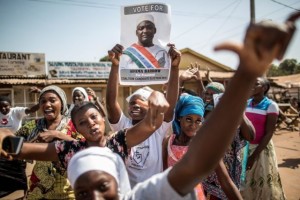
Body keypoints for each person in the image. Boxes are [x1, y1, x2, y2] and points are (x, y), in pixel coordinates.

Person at [2, 11, 299, 200]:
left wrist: (246, 75)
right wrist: (9, 142)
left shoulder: (125, 142)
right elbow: (16, 147)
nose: (93, 197)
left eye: (103, 188)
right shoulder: (69, 150)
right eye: (82, 192)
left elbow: (198, 158)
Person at [0, 90, 170, 197]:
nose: (90, 123)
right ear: (77, 129)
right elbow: (22, 149)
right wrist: (5, 140)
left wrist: (156, 95)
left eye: (93, 117)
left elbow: (152, 123)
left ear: (103, 118)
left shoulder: (119, 141)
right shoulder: (69, 149)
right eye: (82, 122)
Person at [107, 43, 180, 187]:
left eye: (140, 101)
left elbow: (170, 104)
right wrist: (115, 65)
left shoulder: (157, 127)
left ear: (151, 105)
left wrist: (175, 67)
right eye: (131, 103)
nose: (134, 105)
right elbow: (110, 103)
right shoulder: (123, 126)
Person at [14, 85, 82, 199]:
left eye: (52, 100)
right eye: (43, 101)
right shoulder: (32, 126)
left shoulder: (74, 125)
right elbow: (10, 147)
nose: (47, 104)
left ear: (62, 103)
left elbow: (86, 148)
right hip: (38, 191)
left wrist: (58, 135)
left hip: (69, 191)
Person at [241, 77, 286, 199]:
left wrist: (253, 157)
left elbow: (269, 133)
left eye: (256, 83)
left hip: (261, 150)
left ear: (265, 88)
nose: (252, 85)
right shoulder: (246, 103)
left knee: (263, 182)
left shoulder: (271, 106)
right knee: (244, 183)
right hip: (244, 148)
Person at [162, 94, 207, 200]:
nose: (193, 125)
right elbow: (164, 173)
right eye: (188, 119)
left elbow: (225, 180)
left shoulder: (203, 145)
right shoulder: (169, 142)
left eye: (198, 121)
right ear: (179, 118)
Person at [0, 95, 39, 198]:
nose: (3, 109)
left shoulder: (16, 111)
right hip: (1, 145)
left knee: (18, 169)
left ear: (10, 105)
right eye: (1, 107)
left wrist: (42, 100)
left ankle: (23, 192)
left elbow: (31, 110)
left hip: (15, 144)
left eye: (6, 106)